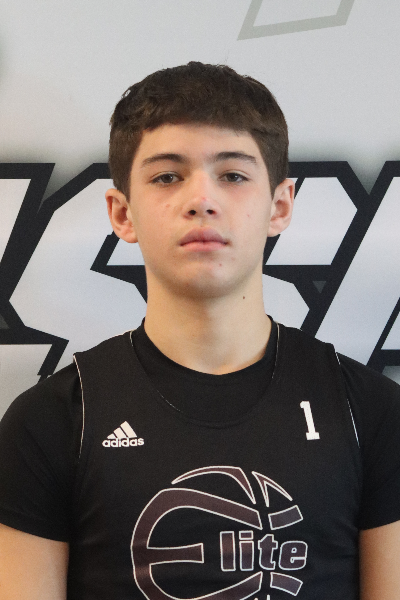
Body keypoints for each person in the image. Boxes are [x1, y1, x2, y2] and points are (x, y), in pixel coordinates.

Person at [0, 62, 400, 600]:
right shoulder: (49, 422)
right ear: (122, 214)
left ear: (280, 205)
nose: (201, 200)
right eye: (168, 176)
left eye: (233, 175)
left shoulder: (369, 411)